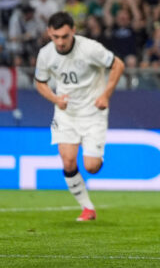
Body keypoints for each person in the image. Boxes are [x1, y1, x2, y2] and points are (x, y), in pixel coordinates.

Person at [33, 12, 125, 222]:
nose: (60, 42)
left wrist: (105, 95)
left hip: (93, 112)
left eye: (65, 36)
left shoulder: (90, 49)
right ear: (49, 33)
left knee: (92, 166)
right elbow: (40, 82)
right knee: (67, 161)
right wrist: (55, 99)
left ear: (73, 31)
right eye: (56, 37)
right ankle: (87, 208)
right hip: (66, 113)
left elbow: (118, 64)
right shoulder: (45, 54)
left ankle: (95, 155)